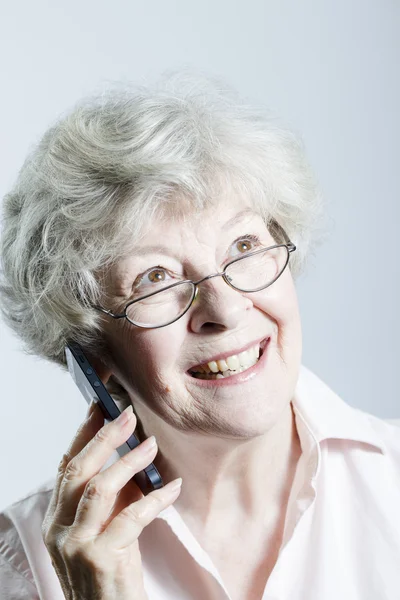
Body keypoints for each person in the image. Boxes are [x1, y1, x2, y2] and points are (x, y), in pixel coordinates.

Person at [0, 73, 399, 600]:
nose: (227, 309)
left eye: (244, 245)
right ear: (92, 351)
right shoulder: (24, 568)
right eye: (155, 278)